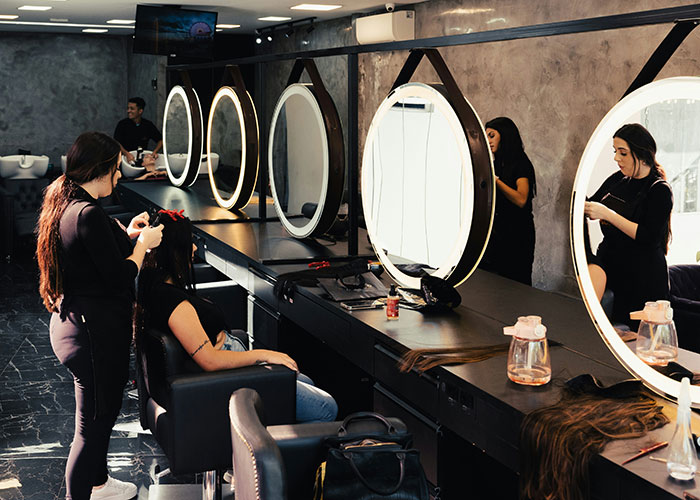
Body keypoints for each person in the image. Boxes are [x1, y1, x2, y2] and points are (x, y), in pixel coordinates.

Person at [36, 131, 163, 500]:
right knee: (91, 427)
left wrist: (129, 235)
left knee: (99, 415)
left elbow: (95, 255)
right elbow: (119, 275)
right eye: (116, 169)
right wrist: (142, 246)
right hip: (90, 333)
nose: (120, 175)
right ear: (101, 169)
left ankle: (100, 484)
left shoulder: (69, 203)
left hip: (76, 325)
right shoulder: (87, 212)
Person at [135, 209, 338, 423]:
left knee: (306, 382)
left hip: (228, 366)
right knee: (326, 408)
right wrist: (265, 355)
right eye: (189, 241)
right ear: (174, 249)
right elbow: (210, 361)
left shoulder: (155, 287)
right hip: (227, 378)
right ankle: (275, 443)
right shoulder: (173, 303)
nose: (194, 248)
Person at [585, 123, 673, 327]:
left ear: (642, 155)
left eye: (623, 153)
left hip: (643, 279)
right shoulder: (619, 180)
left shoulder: (659, 190)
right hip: (613, 270)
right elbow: (592, 205)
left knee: (638, 336)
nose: (617, 158)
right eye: (615, 151)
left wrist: (608, 214)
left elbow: (648, 237)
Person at [481, 117, 537, 285]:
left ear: (504, 136)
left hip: (518, 235)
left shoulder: (521, 164)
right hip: (498, 233)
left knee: (515, 283)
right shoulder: (495, 163)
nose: (488, 140)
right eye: (486, 136)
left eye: (492, 135)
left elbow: (521, 199)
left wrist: (496, 180)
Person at [114, 97, 163, 165]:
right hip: (124, 160)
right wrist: (126, 154)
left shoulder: (148, 125)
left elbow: (161, 140)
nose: (128, 111)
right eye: (128, 108)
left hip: (142, 161)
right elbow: (116, 142)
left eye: (132, 109)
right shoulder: (122, 124)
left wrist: (155, 152)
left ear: (140, 111)